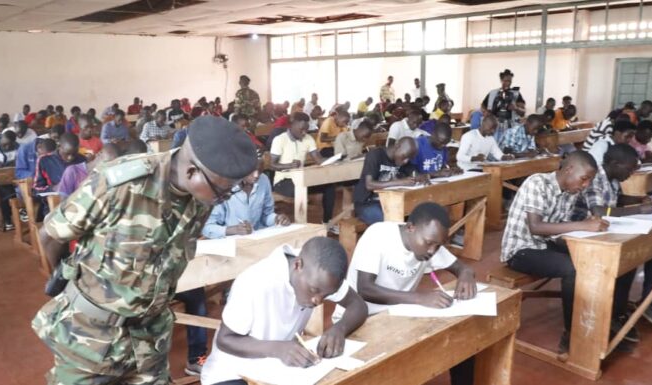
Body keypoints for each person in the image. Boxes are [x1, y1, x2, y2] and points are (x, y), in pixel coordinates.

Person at [31, 116, 258, 385]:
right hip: (90, 339)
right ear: (191, 172)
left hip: (149, 340)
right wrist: (64, 273)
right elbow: (50, 234)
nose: (223, 199)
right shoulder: (120, 183)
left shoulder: (201, 196)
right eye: (223, 192)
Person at [334, 202, 476, 385]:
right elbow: (365, 289)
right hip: (359, 320)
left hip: (396, 318)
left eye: (438, 246)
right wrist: (419, 298)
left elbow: (460, 267)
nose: (432, 251)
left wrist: (466, 273)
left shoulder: (428, 245)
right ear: (410, 228)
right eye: (429, 243)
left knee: (461, 337)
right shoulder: (378, 236)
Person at [200, 237, 368, 385]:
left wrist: (339, 329)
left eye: (327, 295)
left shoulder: (322, 276)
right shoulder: (255, 282)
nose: (318, 300)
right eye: (314, 290)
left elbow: (358, 305)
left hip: (279, 370)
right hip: (231, 373)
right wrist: (278, 349)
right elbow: (225, 340)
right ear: (297, 265)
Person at [501, 151, 613, 353]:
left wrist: (586, 229)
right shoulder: (537, 183)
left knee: (590, 259)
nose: (585, 185)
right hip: (521, 249)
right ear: (569, 169)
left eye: (589, 181)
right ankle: (572, 332)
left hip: (543, 243)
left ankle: (599, 320)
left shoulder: (570, 192)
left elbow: (559, 227)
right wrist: (584, 226)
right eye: (584, 178)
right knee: (572, 269)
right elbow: (536, 227)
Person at [572, 143, 652, 338]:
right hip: (583, 234)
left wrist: (641, 200)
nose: (631, 173)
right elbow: (598, 211)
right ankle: (616, 313)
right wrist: (639, 210)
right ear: (615, 163)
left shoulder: (613, 178)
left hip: (604, 229)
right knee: (628, 257)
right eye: (629, 169)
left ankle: (648, 302)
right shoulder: (594, 177)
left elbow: (617, 199)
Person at [270, 112, 337, 233]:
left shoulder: (308, 139)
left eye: (306, 130)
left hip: (302, 179)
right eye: (301, 129)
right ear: (292, 125)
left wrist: (335, 159)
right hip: (283, 181)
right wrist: (289, 165)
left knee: (329, 186)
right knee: (300, 187)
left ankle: (327, 222)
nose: (304, 132)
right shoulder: (280, 140)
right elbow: (272, 165)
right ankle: (301, 228)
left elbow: (318, 160)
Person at [354, 137, 425, 225]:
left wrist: (419, 177)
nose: (406, 161)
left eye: (409, 158)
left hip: (390, 202)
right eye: (404, 156)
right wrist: (399, 182)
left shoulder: (403, 161)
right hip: (367, 203)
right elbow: (369, 185)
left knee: (416, 216)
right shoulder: (375, 155)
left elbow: (415, 174)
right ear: (397, 146)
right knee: (388, 221)